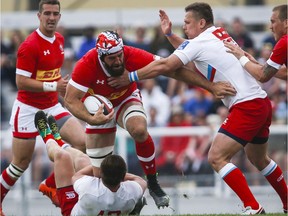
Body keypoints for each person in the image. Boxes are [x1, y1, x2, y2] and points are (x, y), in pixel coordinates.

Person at [108, 3, 287, 214]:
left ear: (201, 23)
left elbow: (167, 65)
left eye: (187, 22)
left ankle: (252, 207)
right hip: (261, 102)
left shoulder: (200, 42)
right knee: (259, 159)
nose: (183, 27)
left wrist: (129, 77)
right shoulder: (219, 33)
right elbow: (193, 50)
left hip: (247, 105)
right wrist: (169, 36)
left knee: (216, 157)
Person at [64, 30, 235, 208]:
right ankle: (133, 199)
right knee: (101, 176)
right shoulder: (86, 63)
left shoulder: (131, 54)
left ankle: (152, 183)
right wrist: (91, 119)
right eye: (112, 59)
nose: (118, 61)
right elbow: (70, 100)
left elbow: (170, 69)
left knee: (139, 130)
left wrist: (210, 86)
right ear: (101, 56)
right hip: (98, 112)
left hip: (125, 99)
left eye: (119, 55)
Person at [0, 0, 87, 212]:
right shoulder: (29, 46)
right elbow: (21, 82)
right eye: (46, 13)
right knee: (20, 163)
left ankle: (50, 184)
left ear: (59, 16)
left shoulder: (59, 39)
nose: (51, 17)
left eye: (55, 13)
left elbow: (53, 74)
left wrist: (63, 89)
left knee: (82, 142)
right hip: (28, 109)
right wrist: (54, 85)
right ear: (39, 16)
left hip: (52, 107)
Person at [34, 110, 147, 215]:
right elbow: (141, 181)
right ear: (123, 178)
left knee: (62, 156)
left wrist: (98, 168)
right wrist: (113, 173)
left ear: (101, 174)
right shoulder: (130, 194)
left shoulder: (89, 190)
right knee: (83, 160)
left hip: (73, 209)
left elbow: (76, 176)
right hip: (94, 203)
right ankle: (59, 141)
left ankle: (46, 135)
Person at [224, 4, 287, 82]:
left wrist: (241, 56)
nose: (270, 27)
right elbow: (285, 73)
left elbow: (262, 76)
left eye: (273, 22)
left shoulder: (284, 42)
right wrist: (257, 65)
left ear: (286, 23)